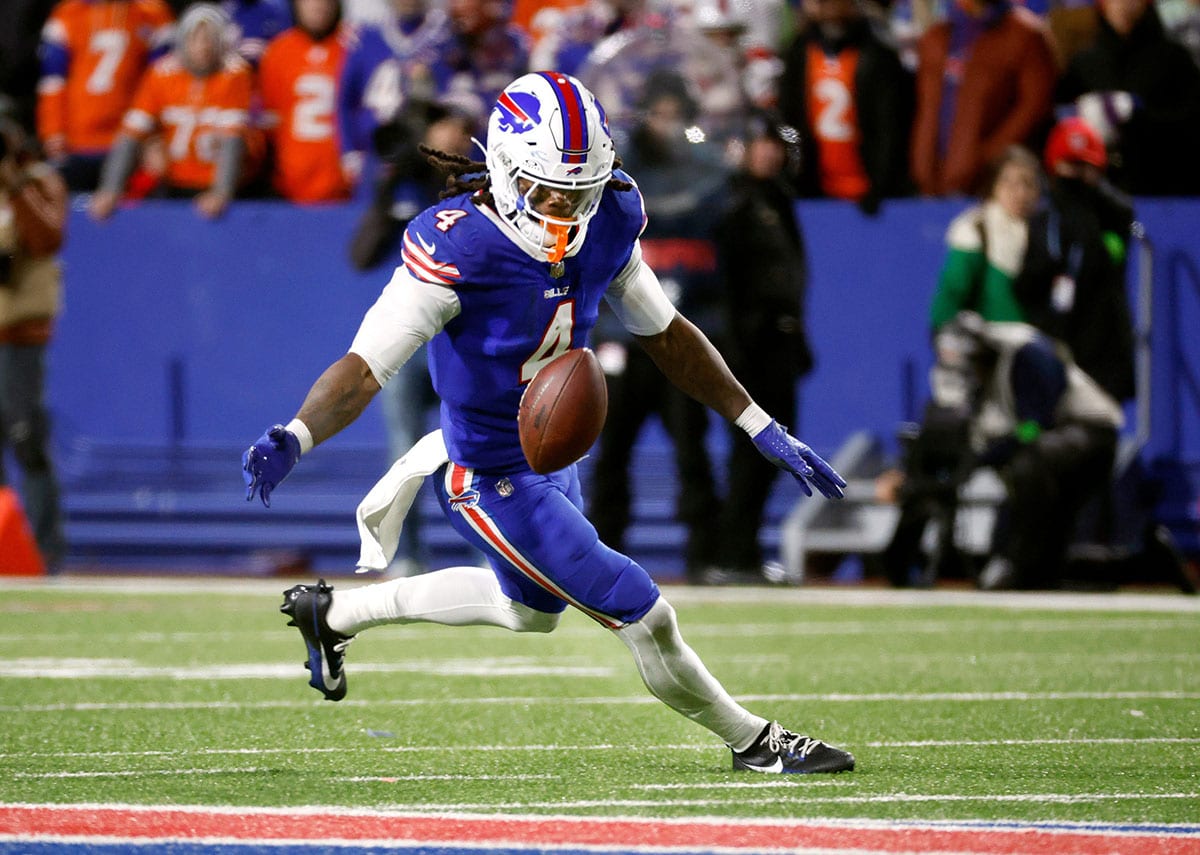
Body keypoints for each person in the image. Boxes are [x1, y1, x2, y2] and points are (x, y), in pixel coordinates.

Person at [242, 71, 853, 775]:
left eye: (580, 191)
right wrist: (298, 432)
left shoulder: (611, 217)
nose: (565, 207)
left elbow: (667, 333)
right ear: (504, 171)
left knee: (528, 610)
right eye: (548, 190)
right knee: (642, 611)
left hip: (553, 456)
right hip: (488, 475)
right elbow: (364, 367)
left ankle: (335, 615)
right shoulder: (457, 249)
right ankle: (756, 742)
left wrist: (757, 422)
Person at [586, 71, 727, 583]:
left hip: (675, 338)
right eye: (659, 115)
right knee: (610, 451)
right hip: (621, 340)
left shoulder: (710, 177)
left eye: (676, 116)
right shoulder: (615, 178)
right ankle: (599, 555)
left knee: (693, 450)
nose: (668, 126)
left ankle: (704, 553)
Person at [708, 110, 816, 584]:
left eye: (776, 143)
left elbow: (789, 280)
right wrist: (733, 347)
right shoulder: (731, 202)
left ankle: (743, 552)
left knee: (771, 454)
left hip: (778, 342)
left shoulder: (780, 199)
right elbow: (726, 284)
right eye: (761, 143)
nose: (770, 151)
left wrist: (797, 336)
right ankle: (732, 555)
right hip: (748, 347)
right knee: (749, 453)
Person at [89, 3, 255, 221]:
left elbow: (231, 142)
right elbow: (131, 134)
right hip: (173, 182)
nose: (202, 47)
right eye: (195, 38)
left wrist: (221, 193)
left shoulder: (234, 75)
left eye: (209, 38)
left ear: (221, 42)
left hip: (217, 183)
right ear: (183, 40)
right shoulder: (161, 74)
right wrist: (110, 188)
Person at [1014, 116, 1135, 405]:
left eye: (1084, 166)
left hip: (1101, 343)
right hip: (1053, 336)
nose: (1075, 176)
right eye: (1068, 165)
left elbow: (1110, 246)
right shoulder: (1043, 219)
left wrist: (1094, 186)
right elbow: (1030, 281)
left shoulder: (1110, 217)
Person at [0, 103, 67, 570]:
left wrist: (11, 180)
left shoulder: (39, 180)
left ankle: (45, 556)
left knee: (27, 441)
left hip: (20, 333)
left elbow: (46, 237)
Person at [909, 0, 1058, 197]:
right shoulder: (934, 39)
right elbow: (921, 111)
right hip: (928, 184)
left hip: (994, 187)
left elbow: (1033, 108)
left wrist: (987, 158)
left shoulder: (1023, 37)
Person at [777, 0, 914, 214]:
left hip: (868, 190)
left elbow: (891, 127)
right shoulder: (800, 53)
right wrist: (794, 172)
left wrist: (881, 185)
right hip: (817, 189)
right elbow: (789, 117)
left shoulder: (877, 57)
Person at [1055, 0, 1200, 196]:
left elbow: (1191, 121)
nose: (1124, 4)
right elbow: (1063, 120)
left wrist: (1138, 116)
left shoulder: (1174, 59)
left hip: (1164, 185)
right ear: (1103, 4)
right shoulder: (1083, 63)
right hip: (1097, 188)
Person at [36, 0, 175, 191]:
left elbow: (164, 84)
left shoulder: (152, 13)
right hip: (75, 140)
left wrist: (156, 136)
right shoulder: (68, 13)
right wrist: (52, 130)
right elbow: (53, 80)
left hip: (131, 142)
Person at [928, 144, 1042, 331]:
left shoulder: (1047, 233)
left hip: (1032, 347)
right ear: (994, 186)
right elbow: (953, 289)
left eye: (1028, 184)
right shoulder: (976, 229)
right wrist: (942, 332)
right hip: (987, 347)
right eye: (1010, 183)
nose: (1020, 193)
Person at [258, 0, 353, 204]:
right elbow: (271, 119)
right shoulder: (278, 51)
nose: (319, 5)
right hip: (289, 184)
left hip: (345, 184)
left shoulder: (352, 47)